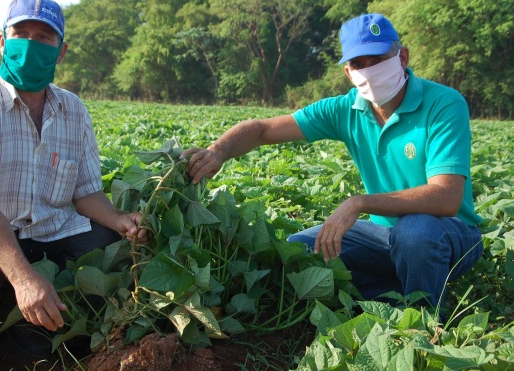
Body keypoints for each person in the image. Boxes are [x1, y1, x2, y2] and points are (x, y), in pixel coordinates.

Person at [182, 14, 483, 312]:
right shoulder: (346, 109)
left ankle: (423, 321)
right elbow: (261, 129)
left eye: (377, 60)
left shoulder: (443, 103)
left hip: (449, 233)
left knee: (414, 233)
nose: (369, 71)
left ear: (402, 57)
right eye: (358, 65)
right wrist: (218, 151)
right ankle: (389, 298)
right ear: (348, 74)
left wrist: (359, 203)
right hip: (385, 237)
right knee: (299, 250)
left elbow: (446, 197)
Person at [0, 0, 147, 369]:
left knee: (104, 241)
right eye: (20, 34)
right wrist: (24, 280)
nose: (30, 44)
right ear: (3, 42)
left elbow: (86, 193)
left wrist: (119, 221)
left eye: (43, 37)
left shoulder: (73, 110)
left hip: (39, 236)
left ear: (61, 51)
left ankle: (25, 322)